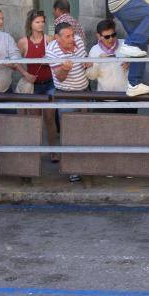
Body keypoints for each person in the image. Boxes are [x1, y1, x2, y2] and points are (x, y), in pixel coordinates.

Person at [46, 22, 89, 182]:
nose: (72, 39)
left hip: (84, 92)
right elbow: (60, 77)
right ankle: (72, 170)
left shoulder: (78, 41)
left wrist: (87, 64)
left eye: (72, 35)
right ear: (57, 38)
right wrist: (65, 68)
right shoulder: (51, 50)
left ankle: (86, 165)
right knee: (69, 132)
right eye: (68, 36)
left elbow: (85, 61)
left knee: (84, 130)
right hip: (65, 94)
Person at [17, 9, 57, 158]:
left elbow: (58, 59)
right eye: (37, 22)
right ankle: (35, 155)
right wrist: (25, 74)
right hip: (34, 86)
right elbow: (15, 61)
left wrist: (50, 60)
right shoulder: (23, 42)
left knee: (50, 119)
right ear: (30, 24)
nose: (41, 24)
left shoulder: (49, 39)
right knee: (35, 120)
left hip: (50, 84)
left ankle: (54, 152)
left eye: (42, 22)